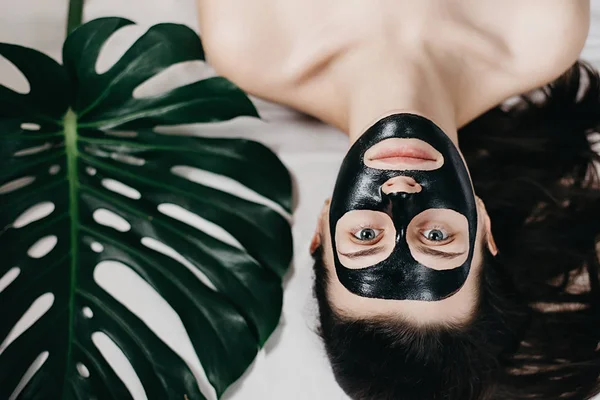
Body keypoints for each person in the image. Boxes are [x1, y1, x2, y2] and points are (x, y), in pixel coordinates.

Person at [196, 1, 600, 399]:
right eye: (438, 236)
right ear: (483, 224)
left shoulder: (251, 39)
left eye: (367, 233)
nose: (400, 194)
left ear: (321, 227)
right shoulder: (540, 30)